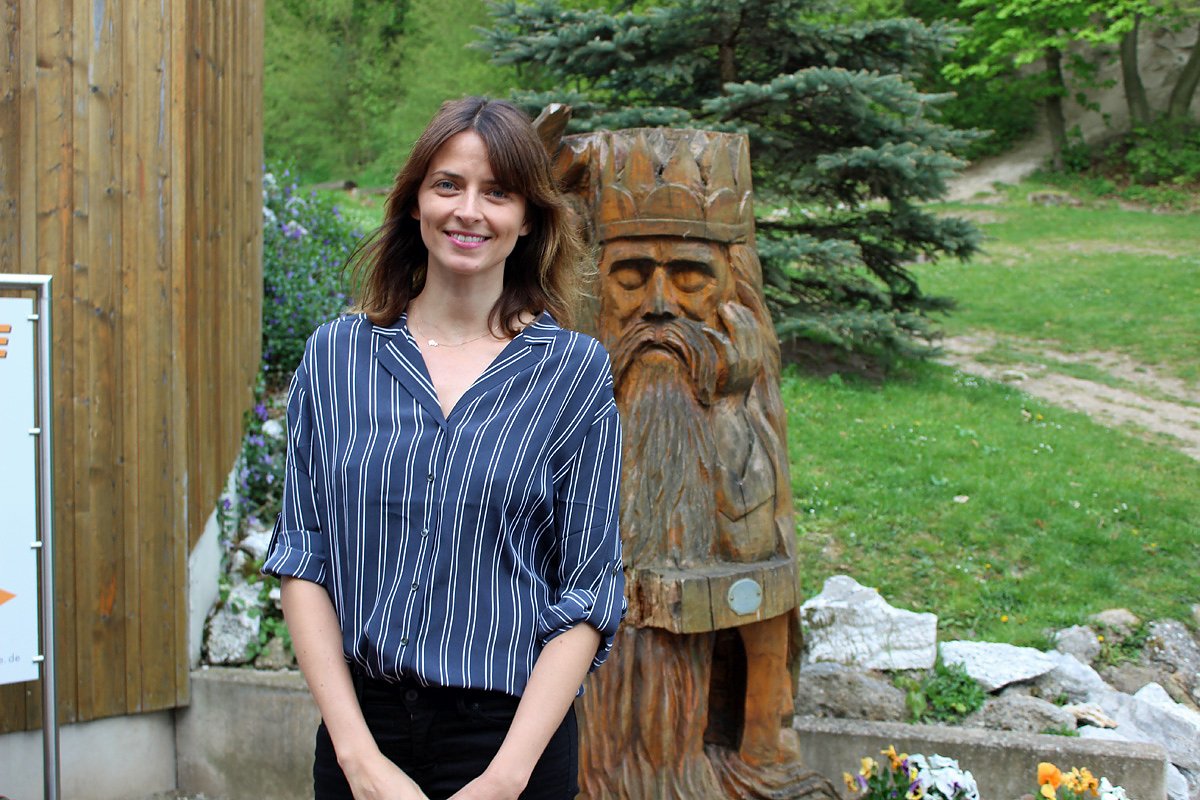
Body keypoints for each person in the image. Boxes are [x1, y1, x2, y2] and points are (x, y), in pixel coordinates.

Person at [262, 97, 626, 800]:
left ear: (528, 218)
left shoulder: (573, 372)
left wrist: (505, 780)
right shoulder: (335, 357)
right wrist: (359, 762)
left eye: (498, 192)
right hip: (363, 733)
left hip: (511, 743)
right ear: (414, 202)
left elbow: (590, 589)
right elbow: (304, 558)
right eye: (448, 185)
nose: (469, 211)